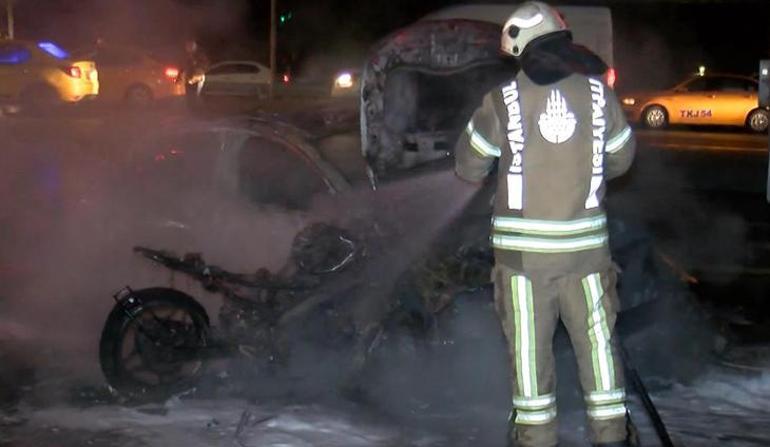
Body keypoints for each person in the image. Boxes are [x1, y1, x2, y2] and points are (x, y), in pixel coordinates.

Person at [454, 2, 637, 446]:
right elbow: (622, 158)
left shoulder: (502, 101)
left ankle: (535, 440)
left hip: (523, 266)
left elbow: (468, 166)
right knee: (598, 351)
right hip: (587, 257)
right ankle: (612, 435)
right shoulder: (599, 95)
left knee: (531, 360)